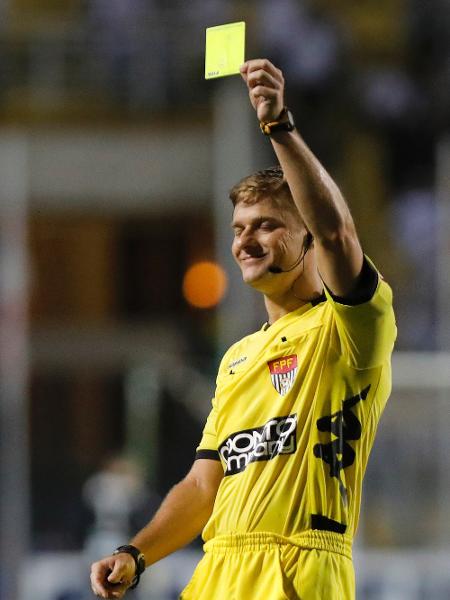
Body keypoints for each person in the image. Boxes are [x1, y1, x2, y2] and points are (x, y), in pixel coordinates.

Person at [90, 58, 396, 599]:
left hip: (299, 569)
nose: (245, 241)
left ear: (306, 242)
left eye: (268, 226)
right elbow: (204, 484)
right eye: (238, 229)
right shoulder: (236, 358)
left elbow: (337, 231)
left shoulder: (348, 327)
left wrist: (278, 125)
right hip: (219, 572)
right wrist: (136, 553)